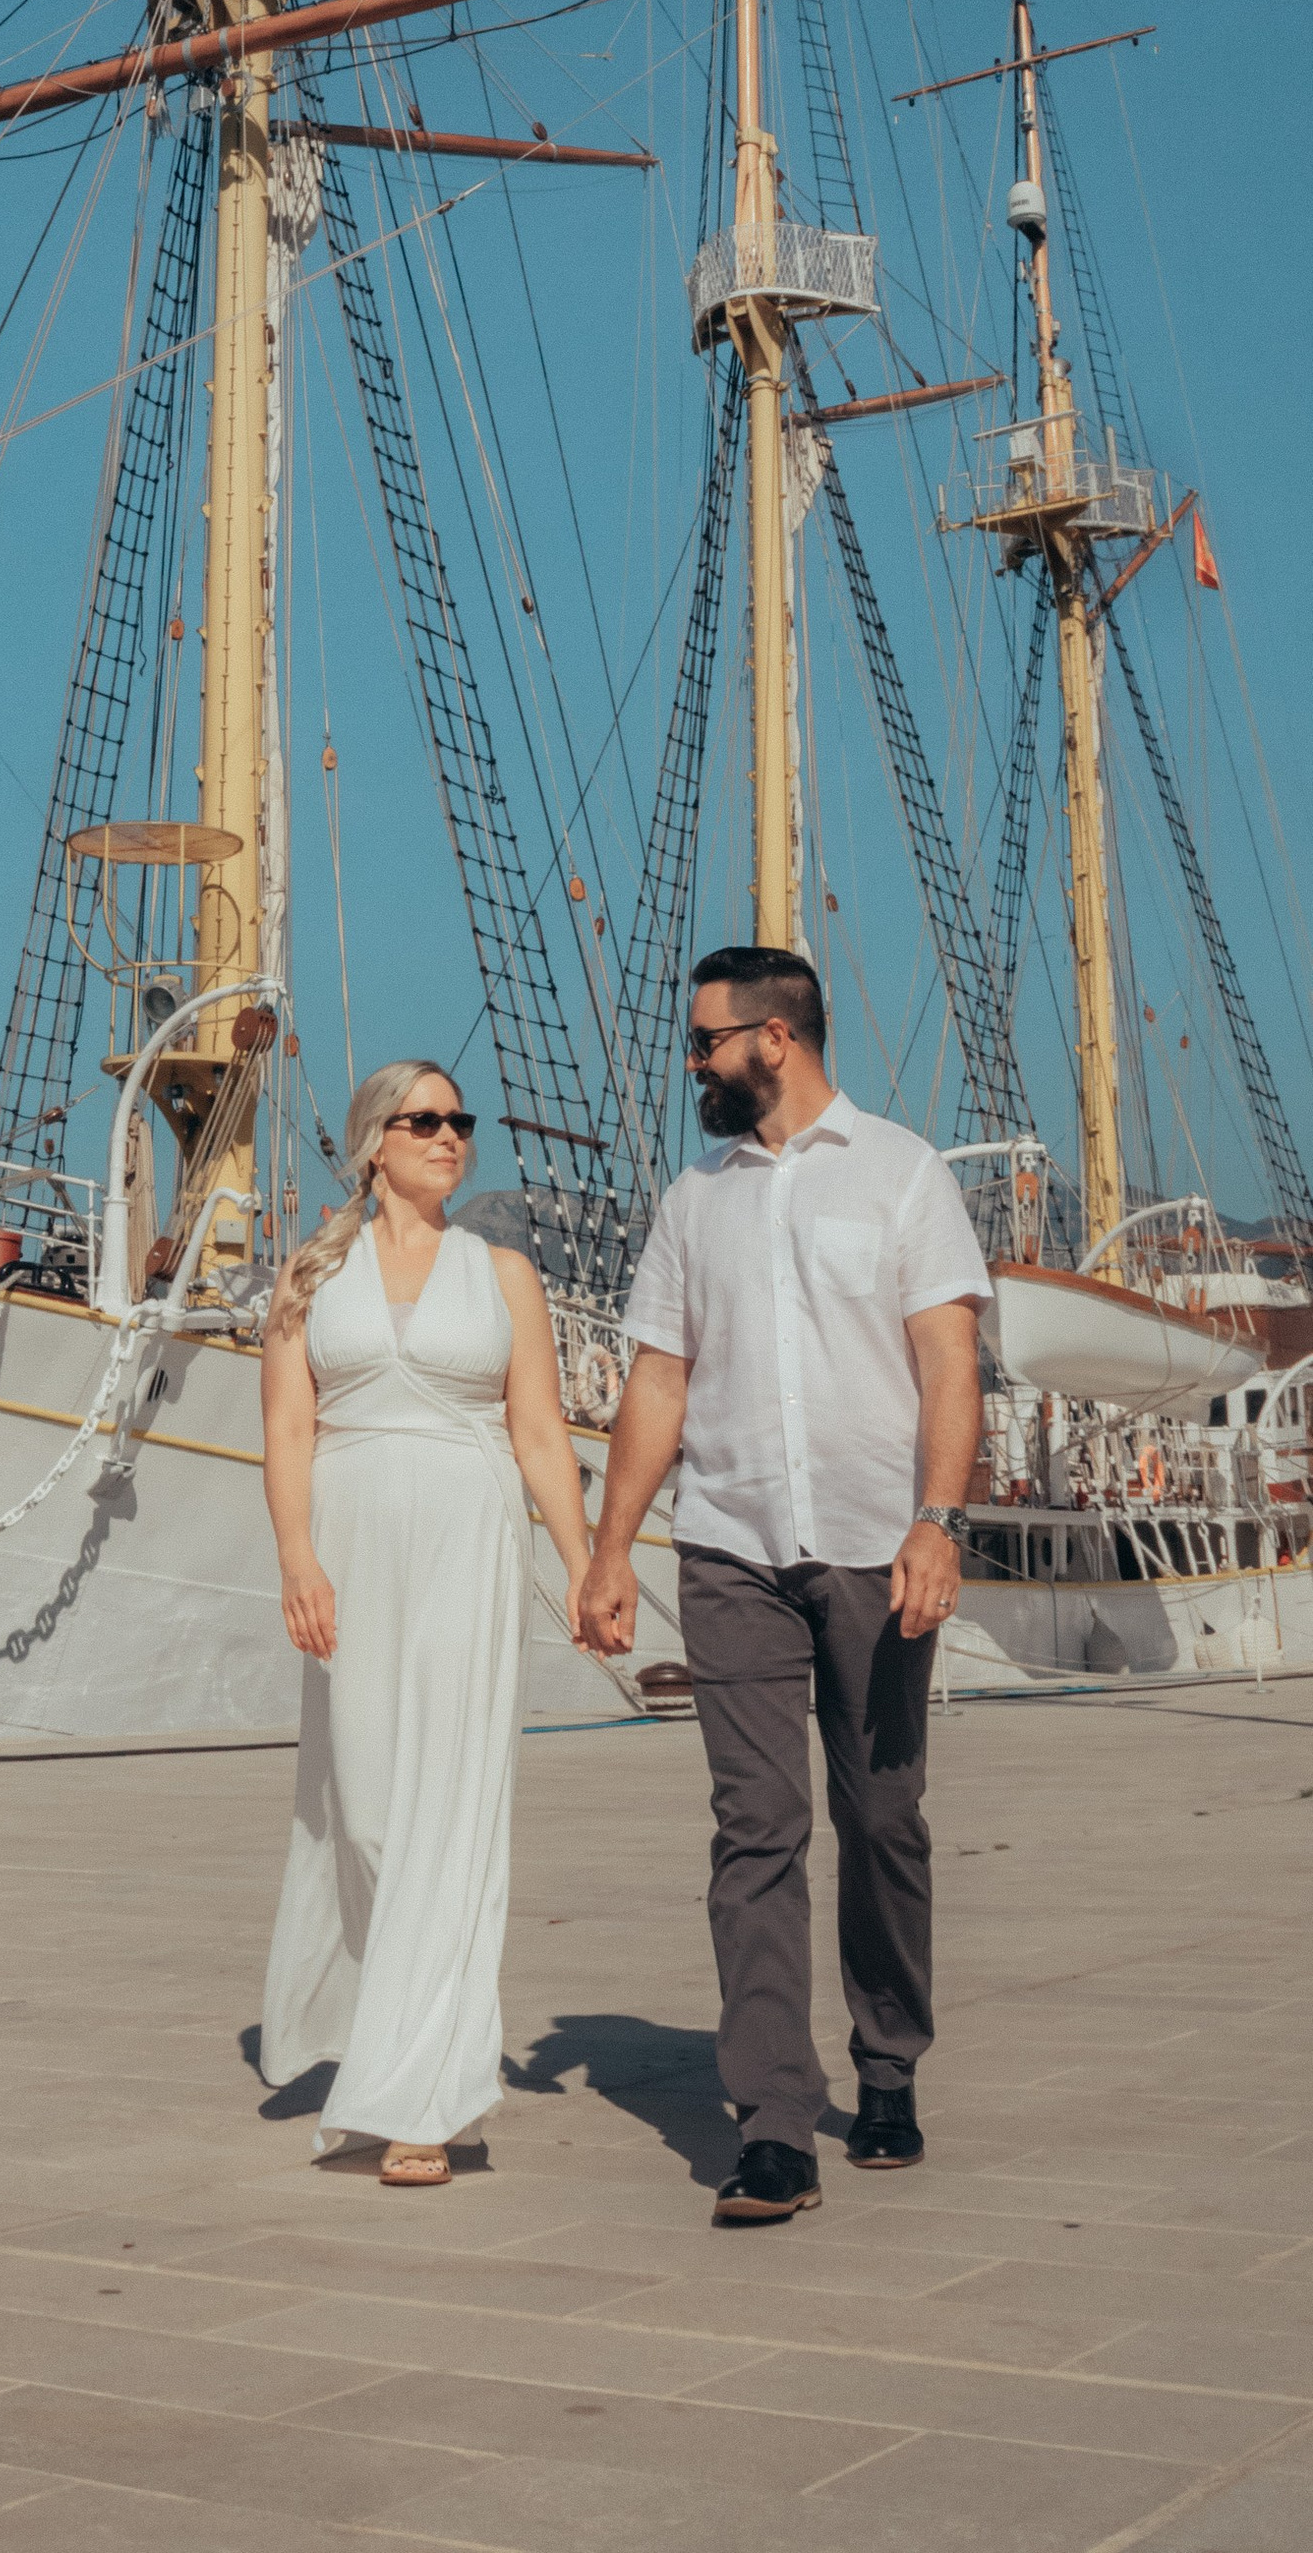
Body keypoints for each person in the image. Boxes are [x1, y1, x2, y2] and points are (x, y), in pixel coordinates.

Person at [579, 945, 990, 2227]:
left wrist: (937, 1521)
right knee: (754, 1829)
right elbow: (657, 1377)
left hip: (878, 1543)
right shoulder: (689, 1199)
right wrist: (609, 1545)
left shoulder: (904, 1172)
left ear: (775, 1037)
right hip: (730, 1546)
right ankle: (768, 2124)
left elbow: (946, 1363)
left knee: (882, 1815)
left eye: (705, 1040)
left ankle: (886, 2064)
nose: (690, 1062)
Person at [258, 1058, 593, 2185]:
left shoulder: (501, 1273)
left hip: (467, 1539)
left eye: (460, 1121)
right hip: (348, 1547)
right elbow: (288, 1434)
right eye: (425, 1121)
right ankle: (390, 2033)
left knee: (449, 1808)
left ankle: (426, 2096)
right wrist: (297, 1559)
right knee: (362, 1811)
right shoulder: (310, 1276)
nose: (450, 1136)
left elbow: (540, 1433)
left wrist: (589, 1561)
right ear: (372, 1142)